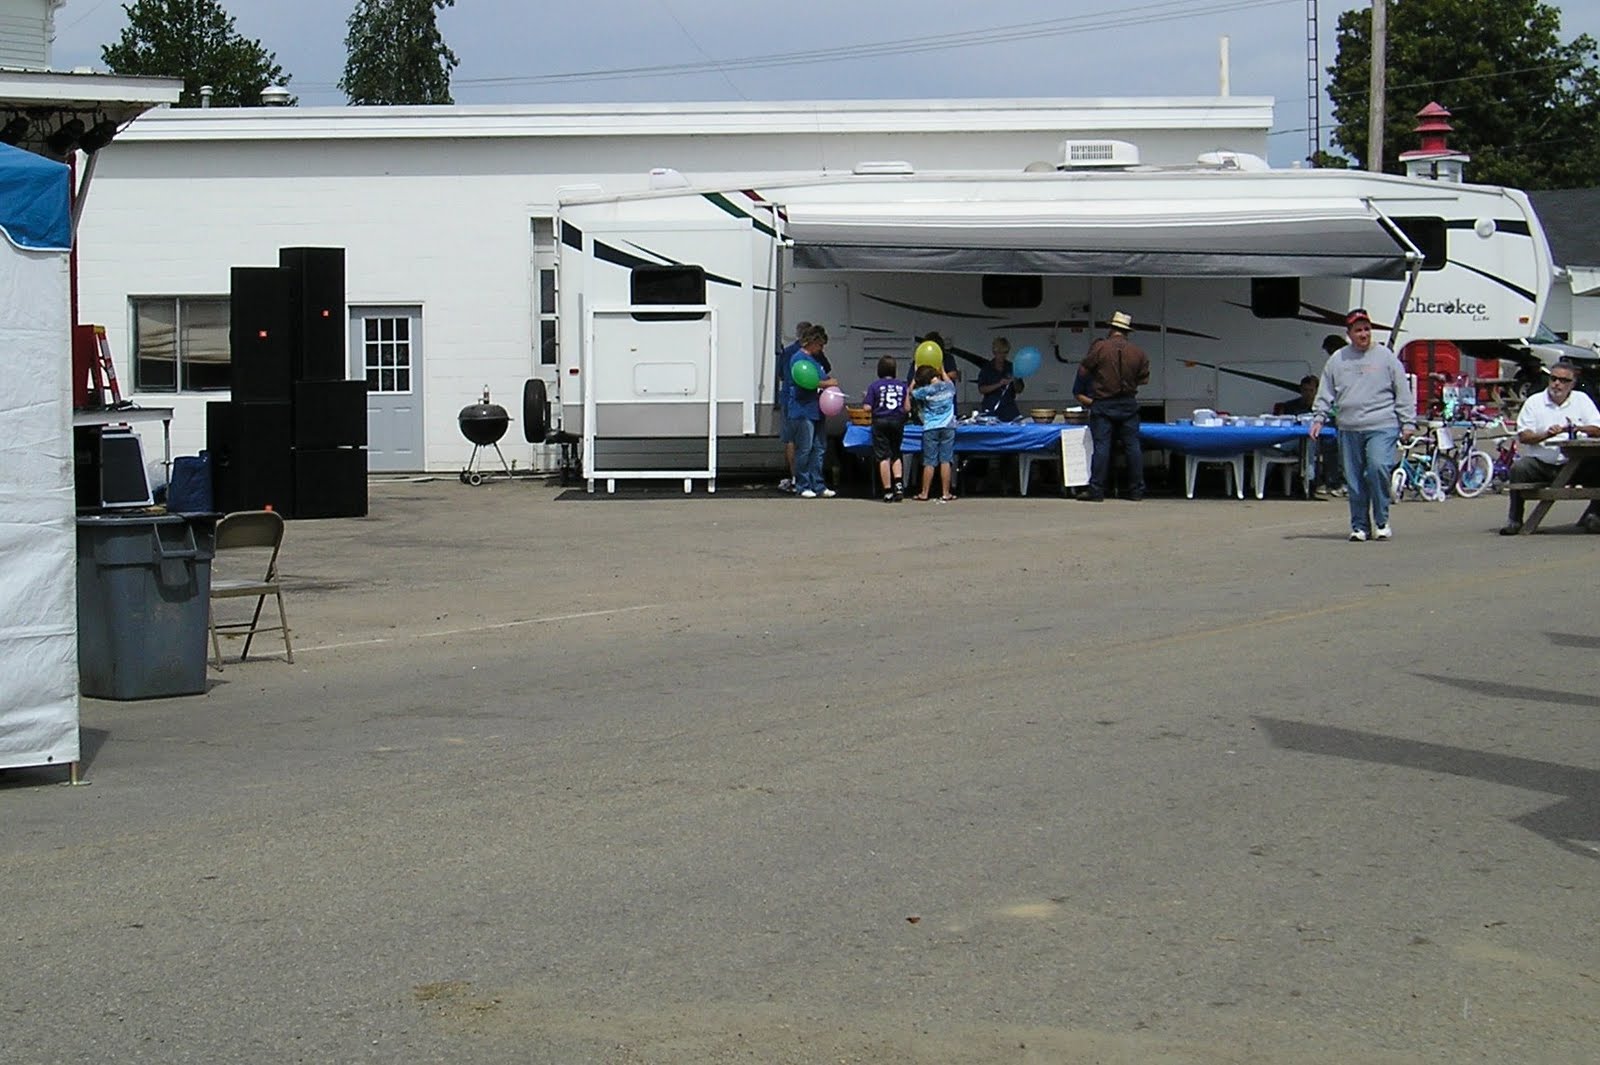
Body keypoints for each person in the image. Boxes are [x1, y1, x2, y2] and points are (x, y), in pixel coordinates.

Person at [1310, 309, 1417, 542]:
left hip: (1382, 424)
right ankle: (1359, 526)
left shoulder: (1386, 357)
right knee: (1355, 479)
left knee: (1378, 467)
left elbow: (1402, 391)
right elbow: (1326, 391)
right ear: (1349, 334)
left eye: (1367, 329)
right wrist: (1319, 418)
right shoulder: (1338, 359)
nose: (1363, 334)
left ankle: (1382, 522)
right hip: (1349, 427)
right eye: (1358, 330)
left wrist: (1408, 422)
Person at [1498, 360, 1600, 535]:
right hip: (1542, 464)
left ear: (1572, 384)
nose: (1557, 384)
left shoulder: (1582, 400)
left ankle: (1595, 515)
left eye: (1564, 380)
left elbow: (1597, 429)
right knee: (1519, 468)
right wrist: (1546, 435)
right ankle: (1515, 519)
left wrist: (1577, 428)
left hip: (1576, 463)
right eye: (1554, 379)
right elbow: (1524, 436)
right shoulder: (1534, 402)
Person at [1078, 311, 1150, 501]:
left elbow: (1083, 371)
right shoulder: (1138, 352)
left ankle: (1097, 490)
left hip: (1104, 402)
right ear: (1127, 331)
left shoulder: (1100, 347)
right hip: (1128, 403)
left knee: (1102, 447)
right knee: (1132, 446)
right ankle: (1136, 491)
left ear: (1111, 329)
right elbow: (1144, 379)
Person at [784, 325, 838, 499]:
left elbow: (821, 377)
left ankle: (818, 484)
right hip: (803, 409)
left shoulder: (816, 360)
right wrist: (827, 384)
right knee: (805, 448)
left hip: (817, 409)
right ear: (812, 342)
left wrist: (828, 382)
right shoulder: (798, 359)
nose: (821, 349)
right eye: (820, 345)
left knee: (819, 448)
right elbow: (806, 381)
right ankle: (803, 484)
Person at [863, 356, 910, 502]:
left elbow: (867, 407)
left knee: (883, 456)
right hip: (897, 421)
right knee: (896, 454)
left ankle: (888, 491)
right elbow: (907, 407)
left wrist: (867, 399)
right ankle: (899, 485)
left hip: (880, 422)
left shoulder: (874, 386)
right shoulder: (902, 386)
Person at [911, 363, 957, 501]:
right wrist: (942, 370)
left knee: (929, 461)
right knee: (946, 460)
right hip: (948, 426)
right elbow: (948, 380)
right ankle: (946, 493)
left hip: (931, 427)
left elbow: (911, 392)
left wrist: (914, 377)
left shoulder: (925, 390)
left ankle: (924, 493)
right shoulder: (949, 387)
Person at [775, 322, 812, 493]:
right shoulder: (809, 354)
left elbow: (780, 374)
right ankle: (806, 478)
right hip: (805, 399)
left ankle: (795, 476)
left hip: (787, 398)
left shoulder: (788, 351)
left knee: (790, 440)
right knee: (806, 440)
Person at [976, 337, 1024, 421]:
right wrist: (999, 384)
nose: (1002, 355)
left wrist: (1015, 380)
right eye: (1000, 353)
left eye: (1005, 353)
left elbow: (1019, 390)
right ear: (994, 352)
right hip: (991, 407)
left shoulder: (1012, 367)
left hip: (1009, 408)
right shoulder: (987, 368)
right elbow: (982, 389)